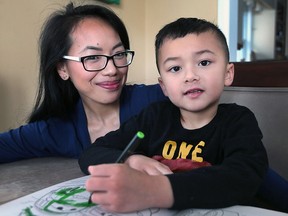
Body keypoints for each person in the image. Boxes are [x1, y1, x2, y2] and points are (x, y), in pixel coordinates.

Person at [78, 17, 270, 213]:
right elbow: (91, 154)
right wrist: (130, 159)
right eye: (175, 68)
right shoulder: (154, 117)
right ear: (164, 86)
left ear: (228, 73)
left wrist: (155, 190)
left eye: (204, 62)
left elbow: (244, 176)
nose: (190, 76)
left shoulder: (238, 120)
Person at [0, 2, 166, 163]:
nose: (112, 70)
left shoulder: (159, 99)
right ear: (62, 69)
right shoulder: (57, 130)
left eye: (119, 54)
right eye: (93, 57)